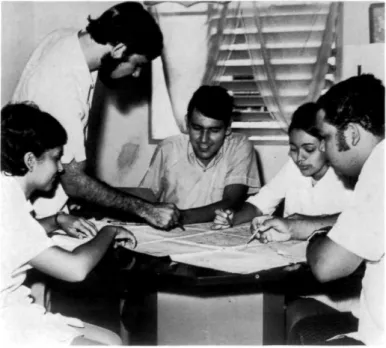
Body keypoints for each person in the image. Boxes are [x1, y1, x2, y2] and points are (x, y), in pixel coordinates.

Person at [11, 1, 180, 230]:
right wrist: (146, 209)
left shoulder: (65, 39)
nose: (136, 74)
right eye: (137, 64)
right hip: (39, 219)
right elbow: (74, 182)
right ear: (119, 49)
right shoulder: (62, 89)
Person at [0, 103, 138, 345]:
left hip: (15, 310)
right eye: (55, 158)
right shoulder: (9, 204)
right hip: (7, 321)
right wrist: (109, 231)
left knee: (112, 339)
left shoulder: (5, 189)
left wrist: (55, 220)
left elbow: (10, 238)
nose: (61, 167)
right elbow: (75, 269)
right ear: (31, 160)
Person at [302, 74, 384, 345]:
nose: (323, 149)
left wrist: (315, 240)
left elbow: (326, 266)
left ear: (351, 134)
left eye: (325, 137)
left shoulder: (380, 168)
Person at [212, 102, 353, 241]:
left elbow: (355, 219)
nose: (299, 158)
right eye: (293, 149)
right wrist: (232, 218)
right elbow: (259, 205)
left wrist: (298, 223)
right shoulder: (293, 168)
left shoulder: (347, 176)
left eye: (309, 149)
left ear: (325, 145)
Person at [139, 85, 261, 224]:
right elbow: (144, 199)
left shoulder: (239, 146)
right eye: (197, 128)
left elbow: (232, 201)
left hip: (215, 233)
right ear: (186, 123)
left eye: (214, 130)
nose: (204, 140)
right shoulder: (168, 148)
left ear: (227, 128)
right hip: (170, 234)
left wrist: (178, 217)